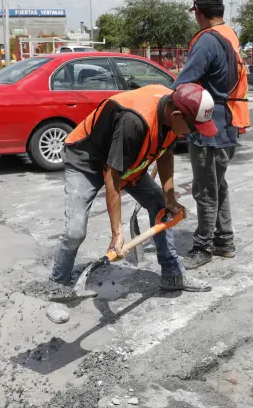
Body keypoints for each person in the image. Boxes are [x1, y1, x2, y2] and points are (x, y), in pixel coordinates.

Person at [50, 83, 219, 297]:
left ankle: (172, 275)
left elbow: (166, 150)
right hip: (87, 160)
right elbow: (113, 176)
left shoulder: (174, 107)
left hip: (126, 161)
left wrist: (169, 196)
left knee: (160, 206)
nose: (194, 133)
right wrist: (117, 234)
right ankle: (57, 282)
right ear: (176, 115)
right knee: (75, 230)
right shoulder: (134, 121)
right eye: (193, 127)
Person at [172, 0, 250, 270]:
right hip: (230, 124)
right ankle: (224, 241)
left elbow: (183, 84)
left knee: (205, 190)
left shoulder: (206, 41)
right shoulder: (229, 35)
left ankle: (203, 246)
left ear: (199, 13)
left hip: (209, 128)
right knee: (219, 185)